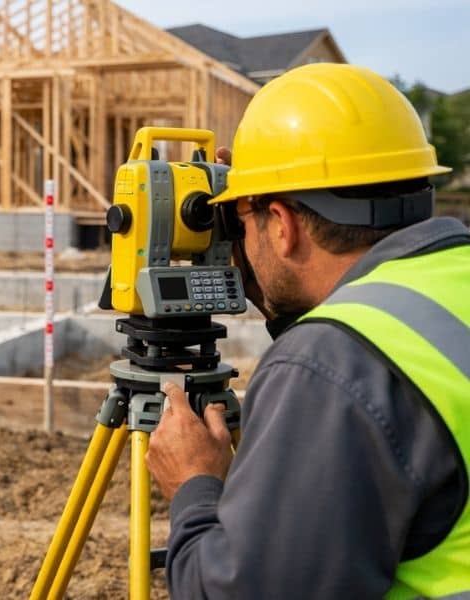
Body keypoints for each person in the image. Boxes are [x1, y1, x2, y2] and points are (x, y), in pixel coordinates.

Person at [145, 63, 469, 598]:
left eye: (243, 219)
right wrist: (281, 303)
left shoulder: (327, 365)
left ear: (283, 223)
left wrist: (194, 487)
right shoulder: (437, 292)